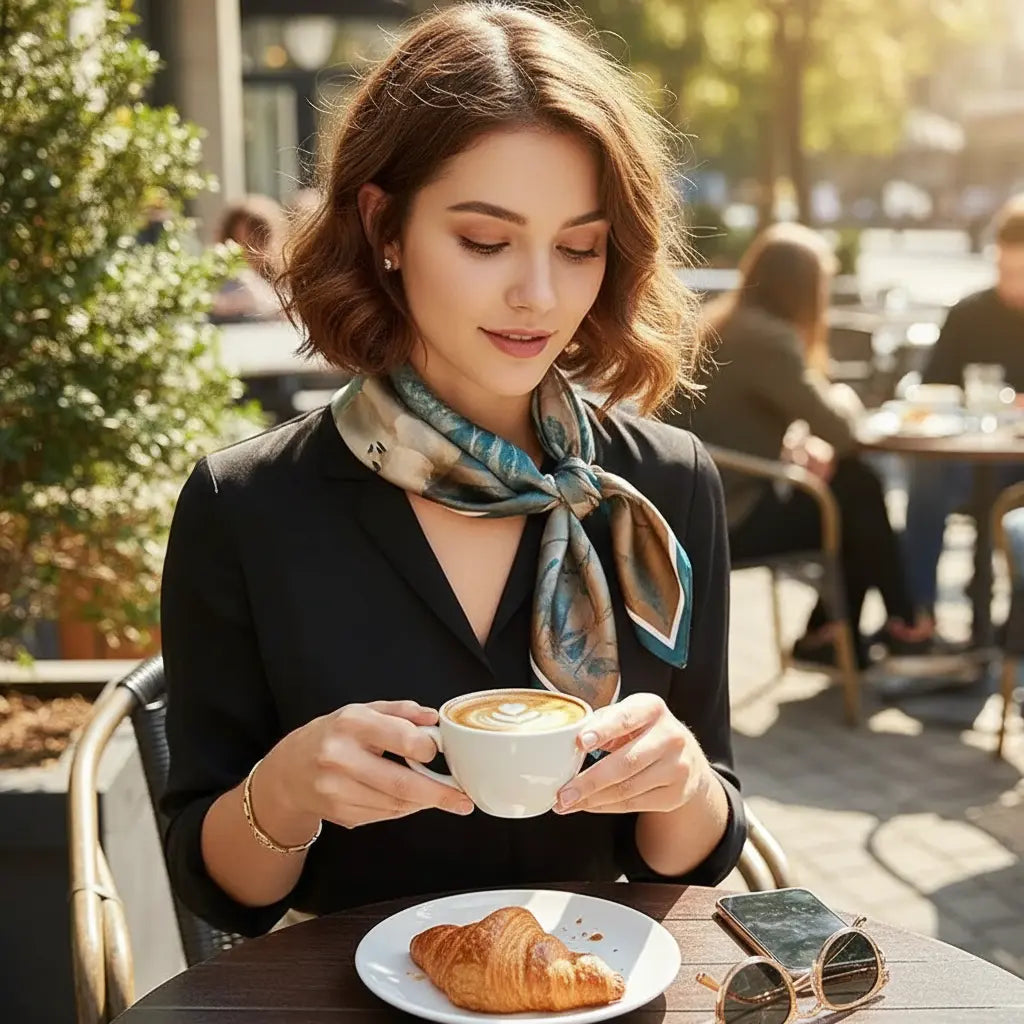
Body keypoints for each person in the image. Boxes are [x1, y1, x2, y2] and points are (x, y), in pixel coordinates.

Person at [160, 3, 745, 938]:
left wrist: (681, 783)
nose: (538, 294)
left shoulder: (665, 485)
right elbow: (222, 888)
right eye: (484, 240)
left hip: (592, 978)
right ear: (383, 225)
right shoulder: (247, 505)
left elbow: (691, 855)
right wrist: (285, 789)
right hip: (339, 991)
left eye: (579, 247)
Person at [681, 223, 930, 668]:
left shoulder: (725, 324)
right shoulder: (769, 339)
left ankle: (838, 632)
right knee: (858, 492)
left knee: (850, 491)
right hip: (729, 518)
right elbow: (842, 431)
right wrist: (844, 397)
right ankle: (901, 626)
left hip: (696, 506)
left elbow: (731, 421)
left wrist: (793, 446)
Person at [902, 196, 1024, 629]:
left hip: (1019, 466)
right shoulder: (969, 313)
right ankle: (918, 614)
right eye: (1003, 270)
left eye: (1020, 273)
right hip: (969, 457)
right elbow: (932, 386)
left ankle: (1012, 629)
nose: (1010, 283)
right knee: (925, 477)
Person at [210, 194, 287, 322]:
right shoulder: (218, 280)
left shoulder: (286, 279)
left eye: (255, 240)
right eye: (237, 241)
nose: (246, 250)